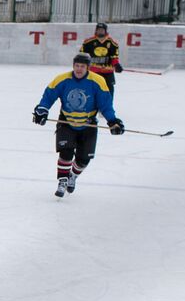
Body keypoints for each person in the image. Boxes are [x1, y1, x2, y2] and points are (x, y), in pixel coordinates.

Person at [33, 53, 124, 199]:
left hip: (88, 124)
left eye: (82, 66)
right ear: (73, 66)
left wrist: (112, 121)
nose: (79, 69)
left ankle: (73, 176)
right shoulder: (62, 79)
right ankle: (62, 181)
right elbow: (49, 96)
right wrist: (42, 110)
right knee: (66, 152)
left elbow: (105, 104)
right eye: (76, 66)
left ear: (88, 67)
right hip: (66, 122)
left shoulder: (98, 81)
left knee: (83, 159)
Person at [82, 22, 122, 93]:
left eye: (102, 30)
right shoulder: (88, 42)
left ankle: (109, 100)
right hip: (94, 71)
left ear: (105, 31)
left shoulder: (112, 43)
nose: (100, 31)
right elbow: (83, 55)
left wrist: (116, 64)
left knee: (109, 89)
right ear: (96, 30)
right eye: (99, 29)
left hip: (108, 71)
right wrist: (83, 65)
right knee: (93, 89)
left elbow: (114, 56)